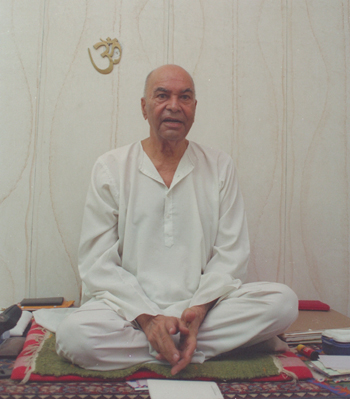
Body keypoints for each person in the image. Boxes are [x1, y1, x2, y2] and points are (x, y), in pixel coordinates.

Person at [56, 65, 298, 375]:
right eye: (162, 96)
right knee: (73, 335)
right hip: (130, 314)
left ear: (194, 109)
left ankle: (173, 344)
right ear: (144, 107)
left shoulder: (219, 165)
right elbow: (97, 264)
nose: (174, 105)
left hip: (201, 311)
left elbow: (231, 255)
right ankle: (192, 347)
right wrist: (149, 319)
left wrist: (196, 312)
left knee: (283, 302)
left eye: (185, 97)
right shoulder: (111, 167)